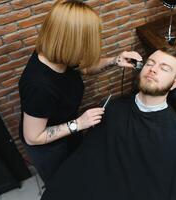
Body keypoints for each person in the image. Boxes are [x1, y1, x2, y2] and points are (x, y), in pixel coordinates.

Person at [41, 49, 176, 200]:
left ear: (174, 84)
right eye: (150, 63)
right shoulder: (111, 107)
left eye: (164, 68)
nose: (153, 69)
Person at [18, 0, 142, 185]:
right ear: (72, 41)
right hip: (49, 147)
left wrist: (115, 60)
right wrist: (78, 124)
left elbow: (84, 68)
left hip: (70, 131)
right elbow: (33, 137)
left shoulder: (58, 54)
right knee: (64, 185)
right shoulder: (39, 87)